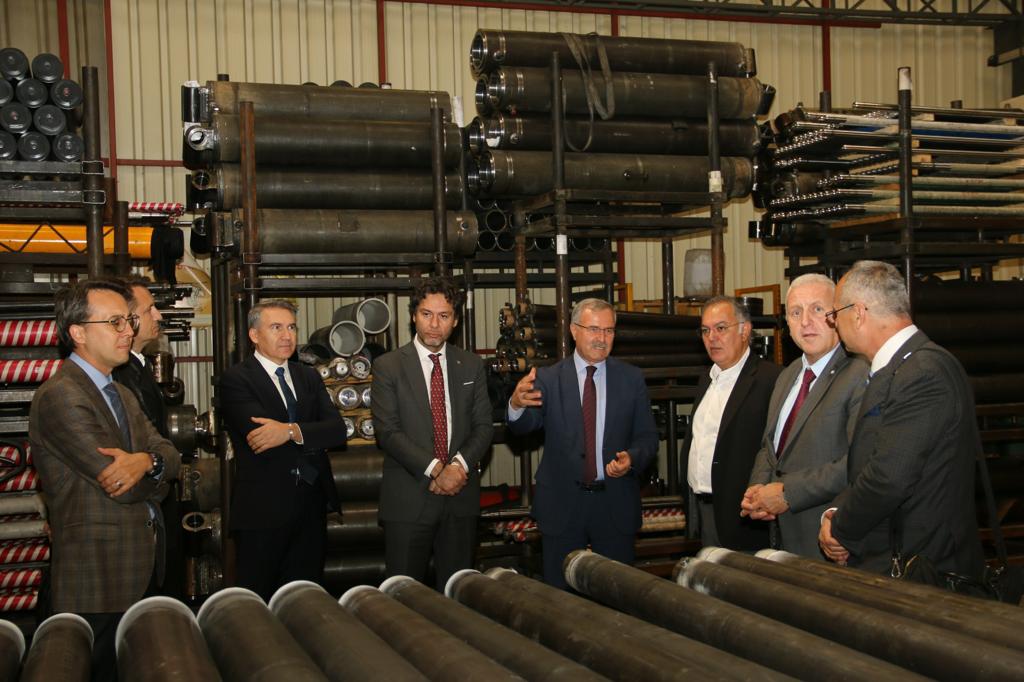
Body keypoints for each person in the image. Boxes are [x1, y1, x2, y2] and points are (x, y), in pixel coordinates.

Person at [29, 279, 179, 682]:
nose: (127, 331)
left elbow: (169, 455)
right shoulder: (62, 396)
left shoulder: (121, 394)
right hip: (97, 577)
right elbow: (120, 487)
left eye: (128, 320)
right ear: (78, 333)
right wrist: (156, 472)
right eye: (115, 322)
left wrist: (146, 461)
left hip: (136, 569)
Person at [818, 261, 984, 577]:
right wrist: (835, 511)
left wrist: (839, 527)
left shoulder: (921, 373)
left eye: (834, 314)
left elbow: (888, 478)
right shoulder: (900, 368)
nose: (833, 324)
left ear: (858, 313)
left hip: (923, 570)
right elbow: (868, 464)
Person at [508, 298, 658, 589]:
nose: (602, 338)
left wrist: (632, 458)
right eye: (594, 329)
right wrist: (515, 405)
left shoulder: (631, 379)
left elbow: (648, 437)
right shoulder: (548, 379)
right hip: (562, 506)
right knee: (560, 598)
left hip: (615, 505)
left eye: (609, 330)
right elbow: (525, 426)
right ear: (574, 330)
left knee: (618, 594)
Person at [372, 276, 493, 590]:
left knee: (459, 594)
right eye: (426, 314)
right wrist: (438, 470)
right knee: (402, 596)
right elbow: (388, 432)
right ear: (414, 316)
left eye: (444, 316)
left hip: (460, 499)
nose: (434, 325)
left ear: (456, 320)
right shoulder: (388, 366)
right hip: (408, 501)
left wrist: (457, 468)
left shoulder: (471, 365)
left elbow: (483, 426)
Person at [220, 299, 345, 600]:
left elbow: (337, 430)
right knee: (258, 601)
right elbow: (260, 437)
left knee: (306, 598)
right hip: (263, 510)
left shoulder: (308, 376)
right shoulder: (237, 379)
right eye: (276, 327)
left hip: (310, 506)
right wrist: (309, 434)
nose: (287, 336)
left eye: (291, 327)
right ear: (254, 335)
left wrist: (289, 431)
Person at [741, 274, 869, 557]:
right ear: (787, 322)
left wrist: (786, 493)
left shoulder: (859, 374)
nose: (805, 321)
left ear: (836, 315)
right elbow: (770, 448)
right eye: (796, 312)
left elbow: (858, 462)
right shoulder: (787, 376)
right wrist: (758, 489)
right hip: (782, 538)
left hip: (831, 537)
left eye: (817, 309)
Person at [681, 295, 781, 551]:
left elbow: (775, 451)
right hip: (704, 512)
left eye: (721, 328)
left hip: (745, 519)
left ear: (744, 331)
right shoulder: (707, 379)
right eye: (705, 330)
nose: (712, 337)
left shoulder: (770, 380)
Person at [112, 276, 166, 436]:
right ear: (128, 318)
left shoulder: (139, 363)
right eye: (149, 310)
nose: (158, 316)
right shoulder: (120, 372)